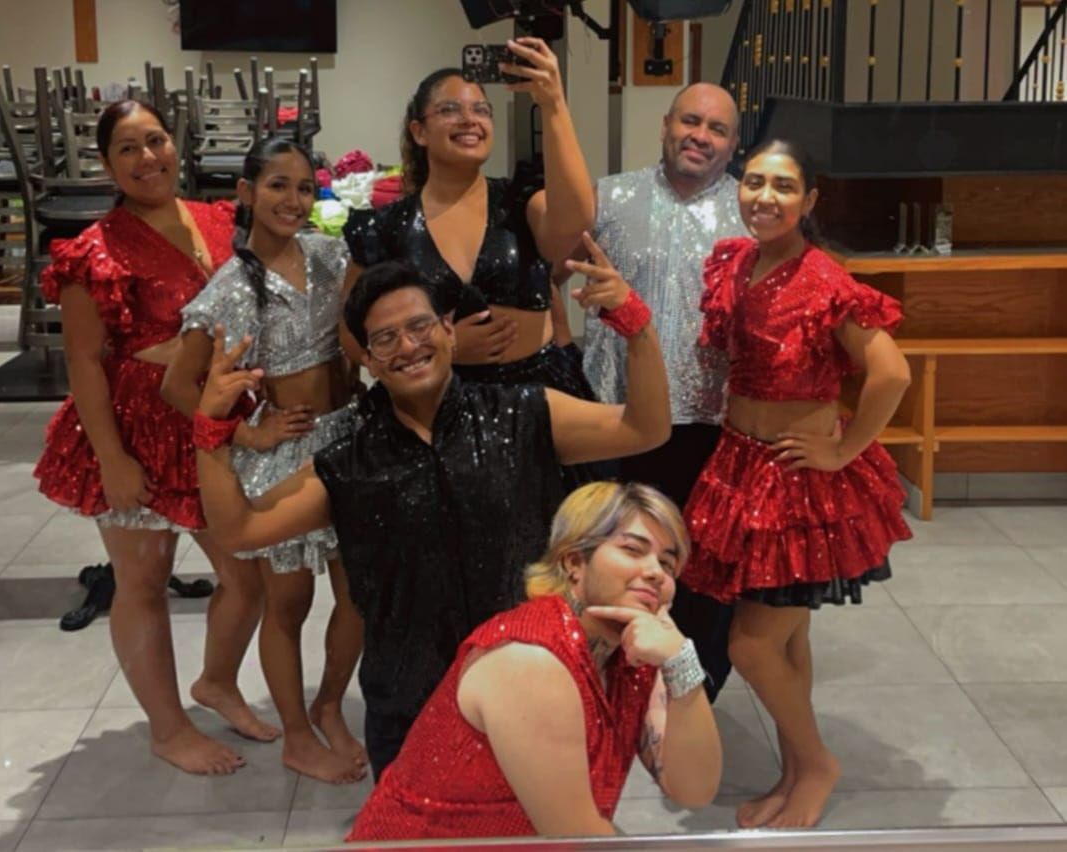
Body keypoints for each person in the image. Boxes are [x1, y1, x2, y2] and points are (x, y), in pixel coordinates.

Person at [192, 240, 670, 779]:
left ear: (448, 329)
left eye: (420, 327)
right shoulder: (349, 465)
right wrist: (211, 432)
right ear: (369, 359)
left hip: (534, 682)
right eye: (386, 338)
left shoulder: (525, 415)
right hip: (409, 707)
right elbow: (240, 529)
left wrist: (634, 324)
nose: (408, 346)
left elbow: (644, 427)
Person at [33, 100, 278, 775]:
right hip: (136, 427)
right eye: (129, 150)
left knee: (245, 574)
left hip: (214, 421)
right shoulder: (95, 251)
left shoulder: (221, 222)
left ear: (177, 145)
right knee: (142, 580)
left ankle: (217, 682)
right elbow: (84, 361)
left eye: (156, 141)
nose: (148, 159)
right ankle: (168, 729)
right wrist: (111, 457)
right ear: (108, 165)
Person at [679, 139, 913, 829]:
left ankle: (815, 765)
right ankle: (793, 771)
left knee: (749, 644)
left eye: (783, 186)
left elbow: (891, 374)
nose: (765, 197)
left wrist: (844, 452)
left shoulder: (824, 280)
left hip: (797, 479)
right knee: (785, 642)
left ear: (809, 201)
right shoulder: (741, 261)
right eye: (754, 182)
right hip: (742, 462)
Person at [345, 481, 722, 839]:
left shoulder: (632, 652)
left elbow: (693, 789)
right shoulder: (531, 661)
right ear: (574, 561)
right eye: (633, 550)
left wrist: (680, 662)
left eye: (668, 563)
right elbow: (578, 837)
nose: (656, 572)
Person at [161, 137, 366, 784]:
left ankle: (330, 702)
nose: (293, 199)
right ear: (246, 194)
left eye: (305, 187)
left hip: (349, 436)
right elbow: (177, 386)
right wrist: (244, 435)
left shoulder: (332, 257)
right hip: (282, 455)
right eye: (277, 185)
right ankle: (297, 736)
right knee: (289, 603)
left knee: (359, 591)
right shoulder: (230, 286)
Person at [342, 39, 600, 486]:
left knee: (544, 545)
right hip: (431, 408)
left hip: (534, 403)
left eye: (481, 110)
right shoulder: (382, 228)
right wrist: (443, 347)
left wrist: (554, 103)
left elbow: (575, 222)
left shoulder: (522, 202)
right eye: (450, 110)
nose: (469, 119)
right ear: (419, 131)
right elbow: (352, 338)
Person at [582, 82, 748, 702]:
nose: (700, 136)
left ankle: (691, 694)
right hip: (616, 415)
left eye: (716, 129)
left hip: (711, 424)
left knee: (698, 570)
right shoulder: (608, 197)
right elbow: (550, 266)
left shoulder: (750, 213)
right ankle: (605, 688)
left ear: (733, 144)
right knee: (612, 560)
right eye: (690, 120)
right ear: (665, 124)